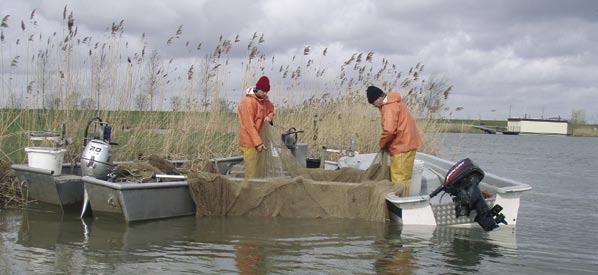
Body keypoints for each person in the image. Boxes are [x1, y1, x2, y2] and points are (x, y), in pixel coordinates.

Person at [367, 85, 422, 196]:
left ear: (378, 98)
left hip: (401, 147)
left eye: (374, 104)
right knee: (406, 178)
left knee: (399, 180)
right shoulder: (396, 102)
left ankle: (400, 205)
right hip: (409, 145)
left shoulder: (388, 107)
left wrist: (382, 144)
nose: (375, 107)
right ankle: (406, 200)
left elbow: (389, 131)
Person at [238, 76, 274, 178]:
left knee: (260, 172)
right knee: (251, 173)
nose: (265, 94)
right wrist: (258, 143)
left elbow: (271, 110)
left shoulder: (265, 101)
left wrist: (269, 117)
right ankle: (248, 192)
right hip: (250, 143)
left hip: (262, 142)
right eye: (263, 91)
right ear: (257, 88)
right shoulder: (247, 102)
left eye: (267, 91)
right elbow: (249, 125)